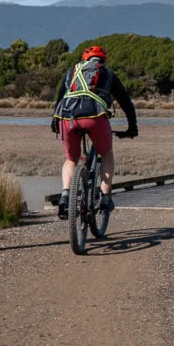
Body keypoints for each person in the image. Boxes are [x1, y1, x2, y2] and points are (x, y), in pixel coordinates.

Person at [51, 45, 138, 219]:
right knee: (106, 154)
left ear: (84, 59)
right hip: (95, 117)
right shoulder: (108, 74)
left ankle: (65, 195)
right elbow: (125, 102)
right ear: (103, 61)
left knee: (71, 159)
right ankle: (105, 198)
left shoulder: (72, 71)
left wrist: (55, 122)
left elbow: (60, 98)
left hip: (67, 118)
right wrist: (132, 127)